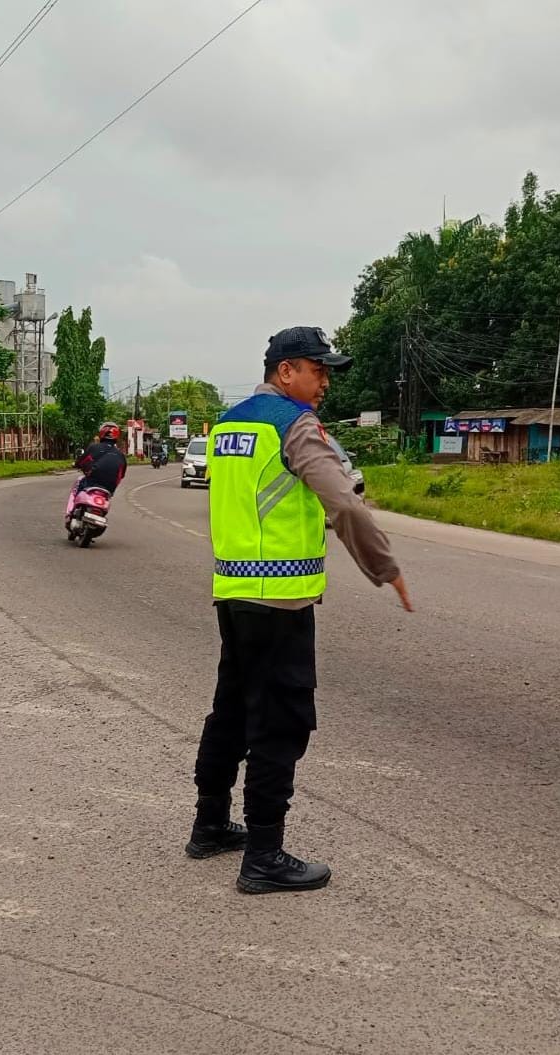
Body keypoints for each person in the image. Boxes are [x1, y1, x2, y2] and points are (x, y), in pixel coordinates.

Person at [186, 326, 413, 894]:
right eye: (318, 369)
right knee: (279, 723)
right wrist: (385, 567)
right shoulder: (295, 425)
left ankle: (210, 824)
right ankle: (264, 855)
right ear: (286, 371)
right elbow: (346, 506)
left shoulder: (229, 424)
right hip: (281, 600)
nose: (326, 381)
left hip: (233, 591)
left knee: (231, 709)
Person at [75, 423, 128, 495]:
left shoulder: (93, 447)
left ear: (101, 433)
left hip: (91, 484)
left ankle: (76, 501)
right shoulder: (120, 455)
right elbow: (122, 475)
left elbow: (81, 462)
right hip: (109, 490)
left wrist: (77, 464)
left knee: (79, 485)